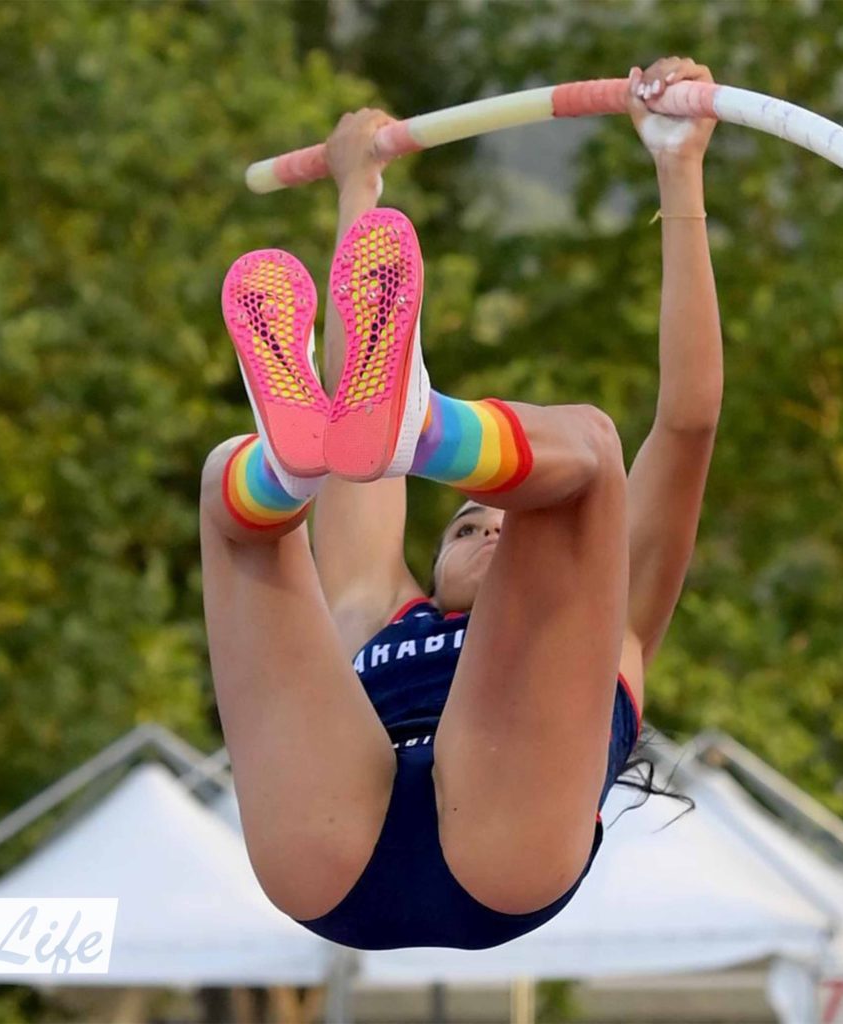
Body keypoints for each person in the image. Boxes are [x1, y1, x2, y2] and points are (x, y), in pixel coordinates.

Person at [199, 57, 722, 950]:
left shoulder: (610, 617)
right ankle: (361, 440)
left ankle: (394, 432)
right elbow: (352, 405)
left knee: (228, 489)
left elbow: (689, 420)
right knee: (297, 464)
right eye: (472, 524)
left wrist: (681, 174)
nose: (490, 531)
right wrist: (359, 190)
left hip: (365, 865)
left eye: (496, 519)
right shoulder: (380, 603)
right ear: (434, 564)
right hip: (402, 833)